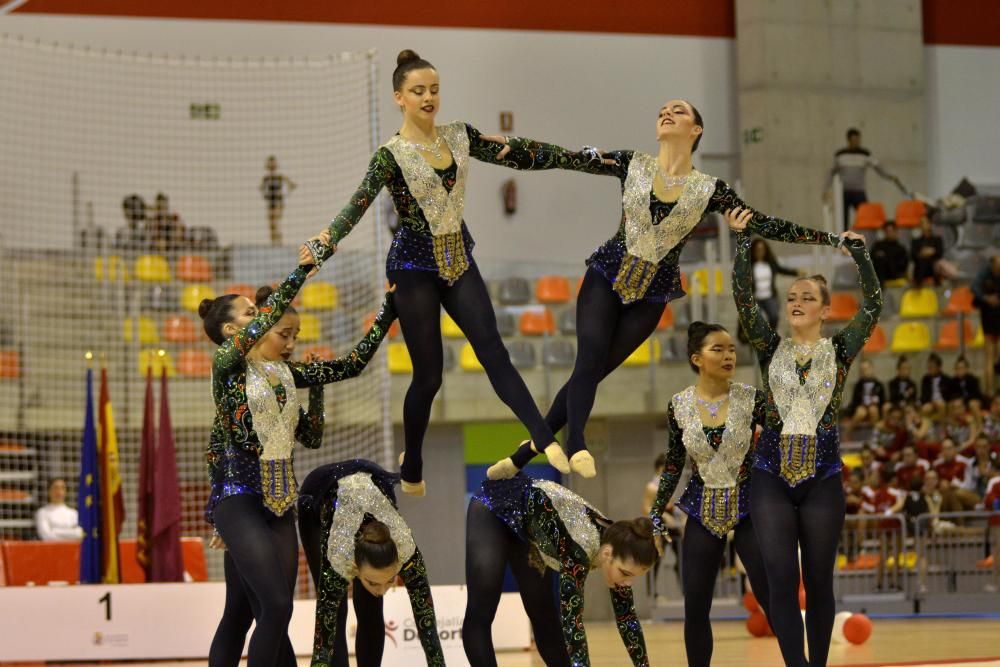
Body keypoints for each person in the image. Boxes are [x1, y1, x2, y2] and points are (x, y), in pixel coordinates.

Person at [489, 98, 842, 480]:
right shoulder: (631, 163)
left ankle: (524, 454)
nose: (667, 112)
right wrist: (516, 146)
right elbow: (567, 157)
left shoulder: (710, 190)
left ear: (696, 130)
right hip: (606, 276)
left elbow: (766, 224)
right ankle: (576, 442)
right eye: (662, 110)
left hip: (653, 295)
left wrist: (833, 238)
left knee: (590, 374)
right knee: (587, 361)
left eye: (679, 110)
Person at [319, 49, 580, 493]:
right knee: (430, 376)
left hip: (457, 257)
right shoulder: (391, 155)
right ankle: (413, 461)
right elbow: (358, 205)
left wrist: (577, 159)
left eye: (434, 90)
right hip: (413, 267)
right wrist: (327, 238)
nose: (428, 98)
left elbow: (517, 154)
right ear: (399, 97)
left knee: (493, 350)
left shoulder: (459, 136)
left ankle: (540, 433)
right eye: (418, 91)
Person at [200, 234, 396, 667]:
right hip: (238, 497)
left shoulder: (284, 373)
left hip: (279, 502)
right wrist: (308, 266)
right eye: (252, 313)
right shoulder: (227, 367)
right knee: (277, 607)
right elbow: (276, 310)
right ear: (233, 330)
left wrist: (388, 312)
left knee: (243, 612)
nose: (262, 314)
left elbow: (350, 366)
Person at [733, 220, 881, 667]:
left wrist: (860, 256)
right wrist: (743, 243)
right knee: (780, 579)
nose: (796, 302)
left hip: (823, 478)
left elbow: (873, 305)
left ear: (825, 310)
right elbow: (743, 301)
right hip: (770, 477)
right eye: (792, 297)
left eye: (807, 298)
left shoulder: (840, 350)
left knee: (818, 581)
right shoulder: (767, 346)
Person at [648, 321, 771, 667]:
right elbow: (674, 464)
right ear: (696, 358)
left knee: (770, 596)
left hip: (749, 507)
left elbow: (778, 443)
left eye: (731, 349)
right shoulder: (679, 405)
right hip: (701, 509)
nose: (728, 355)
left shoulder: (751, 398)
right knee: (696, 607)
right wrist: (656, 513)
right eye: (718, 349)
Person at [463, 477, 656, 667]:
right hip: (494, 505)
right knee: (481, 610)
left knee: (543, 612)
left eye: (634, 577)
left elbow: (627, 619)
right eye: (626, 574)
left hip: (529, 530)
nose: (627, 583)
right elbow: (573, 626)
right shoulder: (579, 550)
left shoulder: (619, 543)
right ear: (607, 554)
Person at [298, 460, 443, 666]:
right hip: (317, 495)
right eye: (374, 583)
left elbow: (430, 635)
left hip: (371, 486)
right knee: (335, 609)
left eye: (390, 580)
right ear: (356, 566)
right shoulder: (338, 558)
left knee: (371, 607)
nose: (382, 589)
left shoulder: (408, 554)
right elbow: (321, 647)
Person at [823, 127, 902, 231]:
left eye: (858, 140)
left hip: (858, 192)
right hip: (844, 192)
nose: (857, 142)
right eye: (854, 140)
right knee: (842, 220)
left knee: (867, 217)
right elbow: (831, 173)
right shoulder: (840, 155)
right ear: (849, 140)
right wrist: (826, 189)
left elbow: (878, 167)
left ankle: (866, 241)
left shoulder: (865, 154)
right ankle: (843, 242)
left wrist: (890, 176)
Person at [641, 452, 682, 597]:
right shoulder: (652, 487)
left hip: (673, 525)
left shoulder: (669, 484)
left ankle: (685, 589)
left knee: (682, 556)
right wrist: (663, 515)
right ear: (659, 468)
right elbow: (646, 508)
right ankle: (652, 592)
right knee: (656, 558)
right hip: (660, 524)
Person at [749, 237, 803, 329]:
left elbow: (781, 269)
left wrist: (796, 272)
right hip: (755, 298)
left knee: (774, 316)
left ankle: (771, 336)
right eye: (757, 250)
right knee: (757, 320)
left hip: (769, 296)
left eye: (762, 250)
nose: (760, 252)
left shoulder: (770, 263)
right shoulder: (749, 265)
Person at [971, 255, 1000, 395]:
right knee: (989, 356)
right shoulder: (984, 273)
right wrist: (987, 299)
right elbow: (973, 288)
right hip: (989, 316)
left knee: (995, 356)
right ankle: (990, 391)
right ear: (992, 265)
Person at [260, 155, 297, 246]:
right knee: (271, 224)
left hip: (278, 203)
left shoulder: (280, 177)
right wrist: (265, 194)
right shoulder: (266, 179)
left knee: (275, 222)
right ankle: (273, 243)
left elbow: (292, 185)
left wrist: (285, 194)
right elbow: (261, 188)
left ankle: (279, 242)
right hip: (270, 203)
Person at [846, 359, 886, 430]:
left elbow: (883, 400)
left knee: (873, 410)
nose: (865, 372)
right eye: (863, 370)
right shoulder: (858, 385)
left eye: (867, 369)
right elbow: (855, 400)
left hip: (875, 408)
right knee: (861, 412)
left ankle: (875, 432)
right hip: (862, 407)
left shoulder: (879, 384)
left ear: (872, 368)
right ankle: (849, 431)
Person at [910, 216, 948, 286]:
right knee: (922, 262)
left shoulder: (937, 239)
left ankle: (936, 284)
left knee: (935, 263)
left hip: (933, 266)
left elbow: (940, 253)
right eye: (922, 223)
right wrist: (922, 254)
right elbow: (913, 255)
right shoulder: (916, 241)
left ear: (930, 224)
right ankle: (918, 286)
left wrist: (931, 252)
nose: (924, 225)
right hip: (920, 267)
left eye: (925, 223)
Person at [870, 221, 909, 286]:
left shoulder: (901, 248)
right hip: (881, 273)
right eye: (887, 231)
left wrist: (887, 258)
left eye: (891, 231)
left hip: (894, 273)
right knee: (880, 259)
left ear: (896, 232)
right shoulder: (878, 245)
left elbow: (903, 265)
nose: (889, 233)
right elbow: (871, 256)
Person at [920, 352, 953, 417]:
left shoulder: (947, 379)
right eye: (929, 367)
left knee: (941, 405)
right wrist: (931, 401)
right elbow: (924, 395)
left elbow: (949, 395)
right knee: (924, 409)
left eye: (932, 367)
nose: (930, 369)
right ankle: (927, 426)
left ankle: (943, 427)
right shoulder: (925, 379)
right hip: (931, 402)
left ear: (939, 367)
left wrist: (943, 401)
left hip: (943, 402)